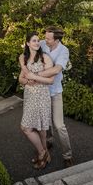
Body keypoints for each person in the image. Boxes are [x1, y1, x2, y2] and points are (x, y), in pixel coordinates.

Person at [20, 26, 73, 168]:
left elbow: (56, 70)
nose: (44, 40)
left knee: (59, 125)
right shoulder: (42, 43)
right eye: (45, 37)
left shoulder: (63, 51)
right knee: (41, 124)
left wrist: (34, 76)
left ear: (56, 40)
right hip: (39, 93)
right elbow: (26, 54)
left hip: (54, 92)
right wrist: (24, 69)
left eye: (48, 38)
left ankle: (67, 155)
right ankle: (45, 147)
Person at [18, 32, 55, 170]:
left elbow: (51, 80)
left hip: (41, 97)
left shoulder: (45, 58)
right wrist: (27, 80)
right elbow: (21, 79)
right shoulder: (26, 59)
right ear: (27, 43)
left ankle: (42, 153)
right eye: (33, 40)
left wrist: (35, 77)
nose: (37, 43)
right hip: (29, 97)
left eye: (38, 40)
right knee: (28, 127)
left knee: (40, 128)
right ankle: (44, 153)